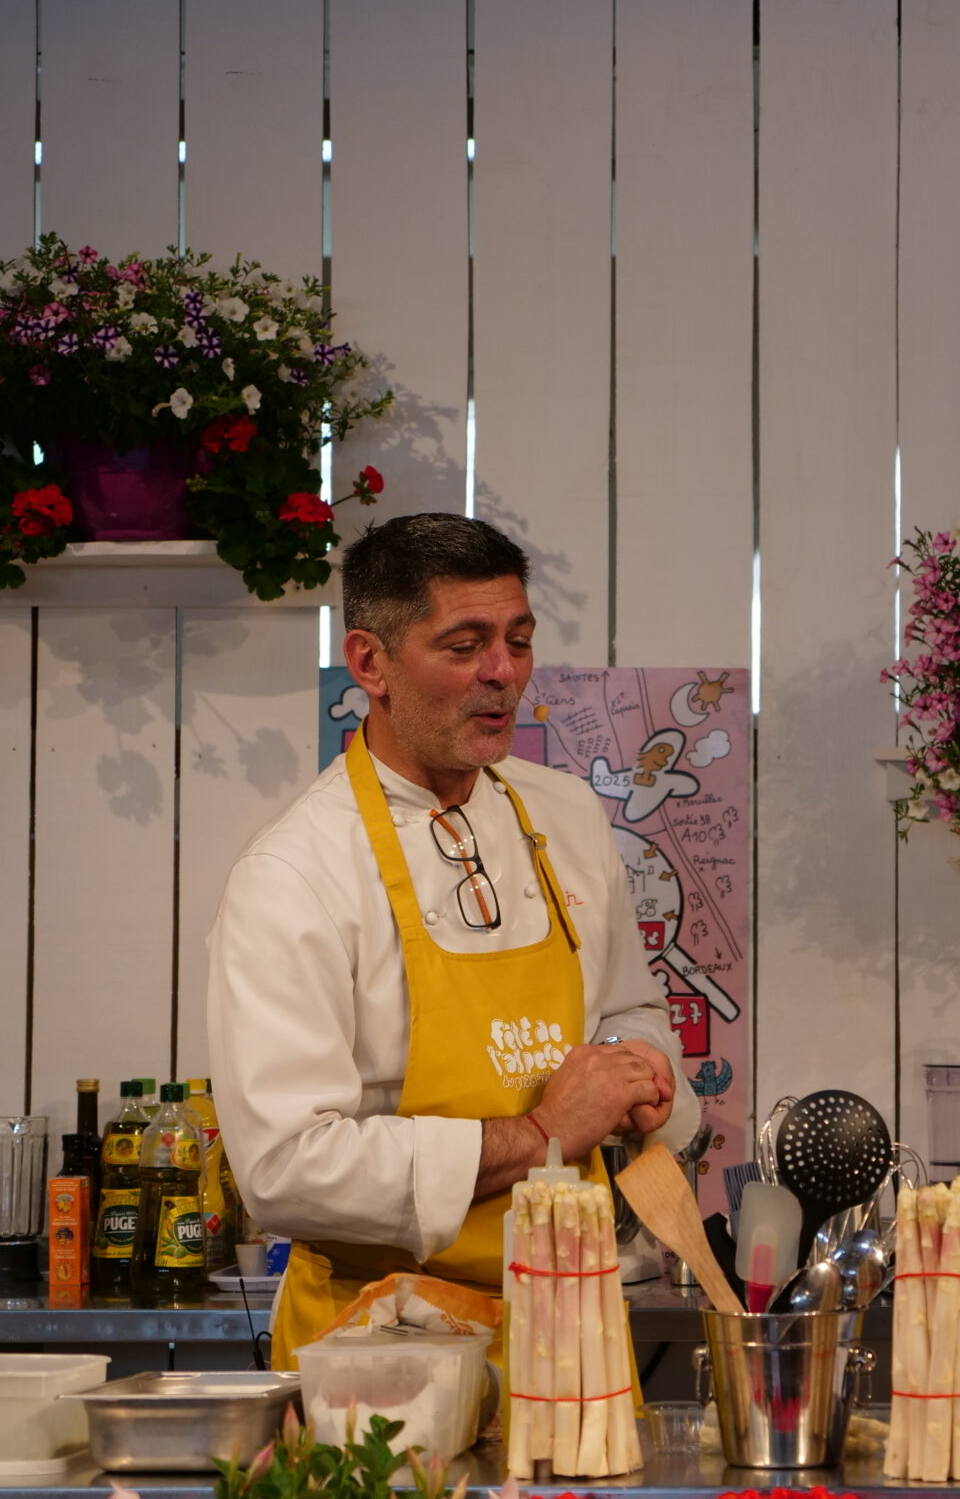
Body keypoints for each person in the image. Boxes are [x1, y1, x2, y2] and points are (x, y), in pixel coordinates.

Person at [208, 513, 692, 1366]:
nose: (503, 674)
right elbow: (286, 1167)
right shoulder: (294, 872)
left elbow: (629, 1008)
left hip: (571, 1333)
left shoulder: (567, 814)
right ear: (371, 663)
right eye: (465, 647)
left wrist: (636, 1072)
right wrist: (542, 1132)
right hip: (375, 1351)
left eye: (518, 641)